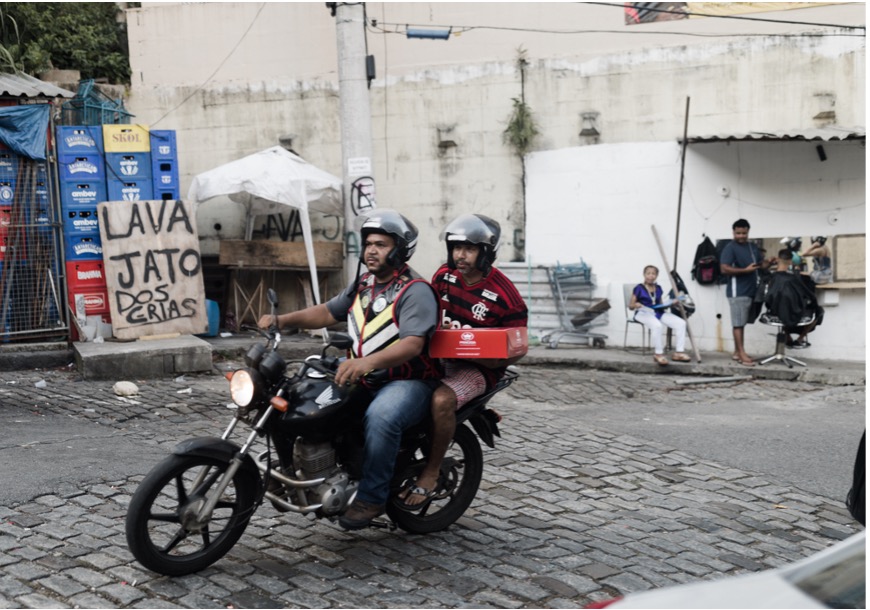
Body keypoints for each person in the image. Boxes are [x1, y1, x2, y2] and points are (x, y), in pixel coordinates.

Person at [257, 209, 441, 530]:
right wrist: (283, 321)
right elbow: (327, 312)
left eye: (381, 244)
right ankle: (294, 468)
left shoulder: (416, 291)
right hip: (362, 373)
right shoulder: (365, 284)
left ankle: (372, 496)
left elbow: (414, 344)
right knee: (299, 394)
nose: (371, 250)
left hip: (406, 380)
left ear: (399, 249)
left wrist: (367, 362)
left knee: (382, 417)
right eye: (369, 243)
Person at [397, 213, 527, 511]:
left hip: (478, 370)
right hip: (438, 357)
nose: (461, 255)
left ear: (486, 252)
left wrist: (496, 357)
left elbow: (519, 346)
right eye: (456, 247)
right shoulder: (444, 276)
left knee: (442, 400)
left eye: (469, 248)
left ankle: (430, 472)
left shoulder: (507, 297)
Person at [719, 219, 774, 366]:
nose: (741, 236)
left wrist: (768, 263)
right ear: (733, 232)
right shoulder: (730, 248)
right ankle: (742, 354)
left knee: (742, 322)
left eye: (744, 233)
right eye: (738, 233)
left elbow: (758, 265)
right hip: (738, 292)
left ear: (748, 232)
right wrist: (745, 271)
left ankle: (737, 353)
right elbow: (724, 268)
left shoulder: (752, 247)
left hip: (751, 290)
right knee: (738, 324)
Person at [628, 265, 690, 366]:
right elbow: (630, 306)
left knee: (681, 323)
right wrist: (635, 305)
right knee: (657, 325)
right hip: (642, 313)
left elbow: (660, 304)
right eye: (648, 273)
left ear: (656, 276)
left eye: (653, 274)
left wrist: (671, 303)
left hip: (657, 312)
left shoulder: (658, 288)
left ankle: (678, 353)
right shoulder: (638, 288)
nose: (651, 276)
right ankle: (658, 354)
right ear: (644, 274)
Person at [764, 248, 823, 348]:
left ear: (777, 259)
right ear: (791, 261)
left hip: (774, 313)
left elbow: (767, 297)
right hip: (795, 312)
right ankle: (800, 338)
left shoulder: (770, 277)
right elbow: (809, 295)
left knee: (782, 307)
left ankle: (787, 336)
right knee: (818, 311)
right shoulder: (795, 278)